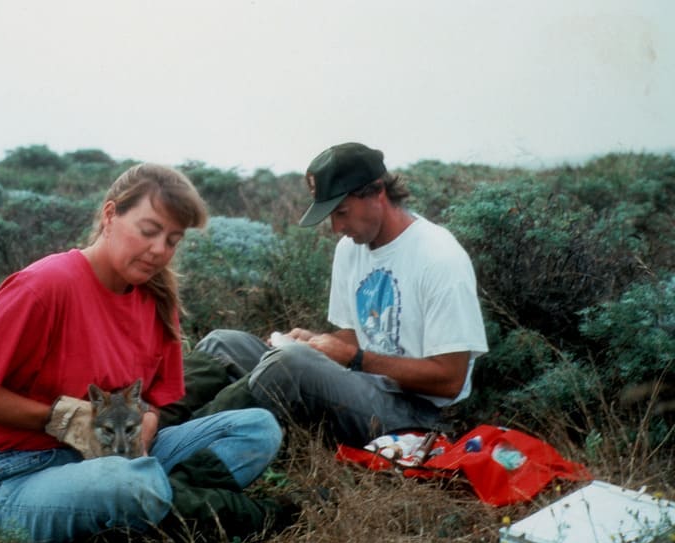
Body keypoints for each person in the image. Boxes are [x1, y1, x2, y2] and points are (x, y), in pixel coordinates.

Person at [0, 163, 291, 543]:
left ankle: (143, 511)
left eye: (173, 240)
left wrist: (148, 423)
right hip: (28, 475)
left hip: (124, 456)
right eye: (149, 231)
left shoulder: (157, 300)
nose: (159, 250)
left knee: (258, 428)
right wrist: (65, 420)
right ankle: (254, 516)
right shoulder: (44, 286)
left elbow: (155, 403)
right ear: (110, 215)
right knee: (127, 485)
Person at [190, 142, 489, 447]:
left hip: (418, 415)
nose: (336, 227)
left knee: (289, 365)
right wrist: (315, 343)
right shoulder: (351, 248)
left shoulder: (439, 257)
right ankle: (154, 428)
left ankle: (183, 445)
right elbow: (361, 335)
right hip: (364, 386)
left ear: (377, 192)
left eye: (341, 212)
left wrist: (352, 358)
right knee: (223, 343)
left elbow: (450, 380)